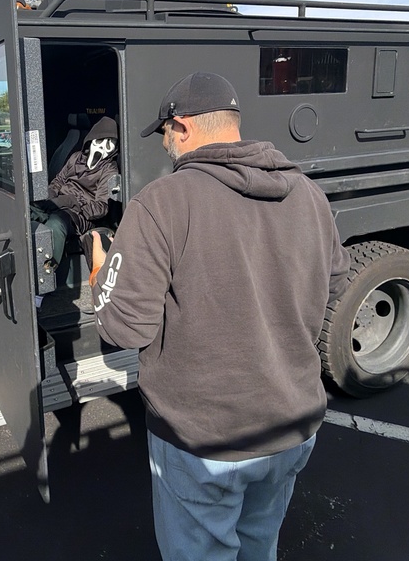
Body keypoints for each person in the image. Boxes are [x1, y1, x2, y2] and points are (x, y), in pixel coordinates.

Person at [89, 72, 350, 561]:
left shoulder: (161, 203)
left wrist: (101, 277)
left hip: (204, 441)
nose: (164, 144)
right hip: (291, 427)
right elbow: (335, 283)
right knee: (259, 546)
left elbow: (124, 327)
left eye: (164, 133)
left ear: (183, 126)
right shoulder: (309, 194)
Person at [31, 116, 119, 272]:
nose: (103, 148)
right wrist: (50, 197)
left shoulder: (109, 170)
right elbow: (58, 181)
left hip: (80, 215)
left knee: (56, 224)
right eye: (100, 141)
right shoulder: (76, 157)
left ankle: (46, 272)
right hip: (60, 202)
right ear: (92, 140)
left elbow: (101, 207)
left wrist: (74, 202)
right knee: (30, 212)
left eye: (109, 144)